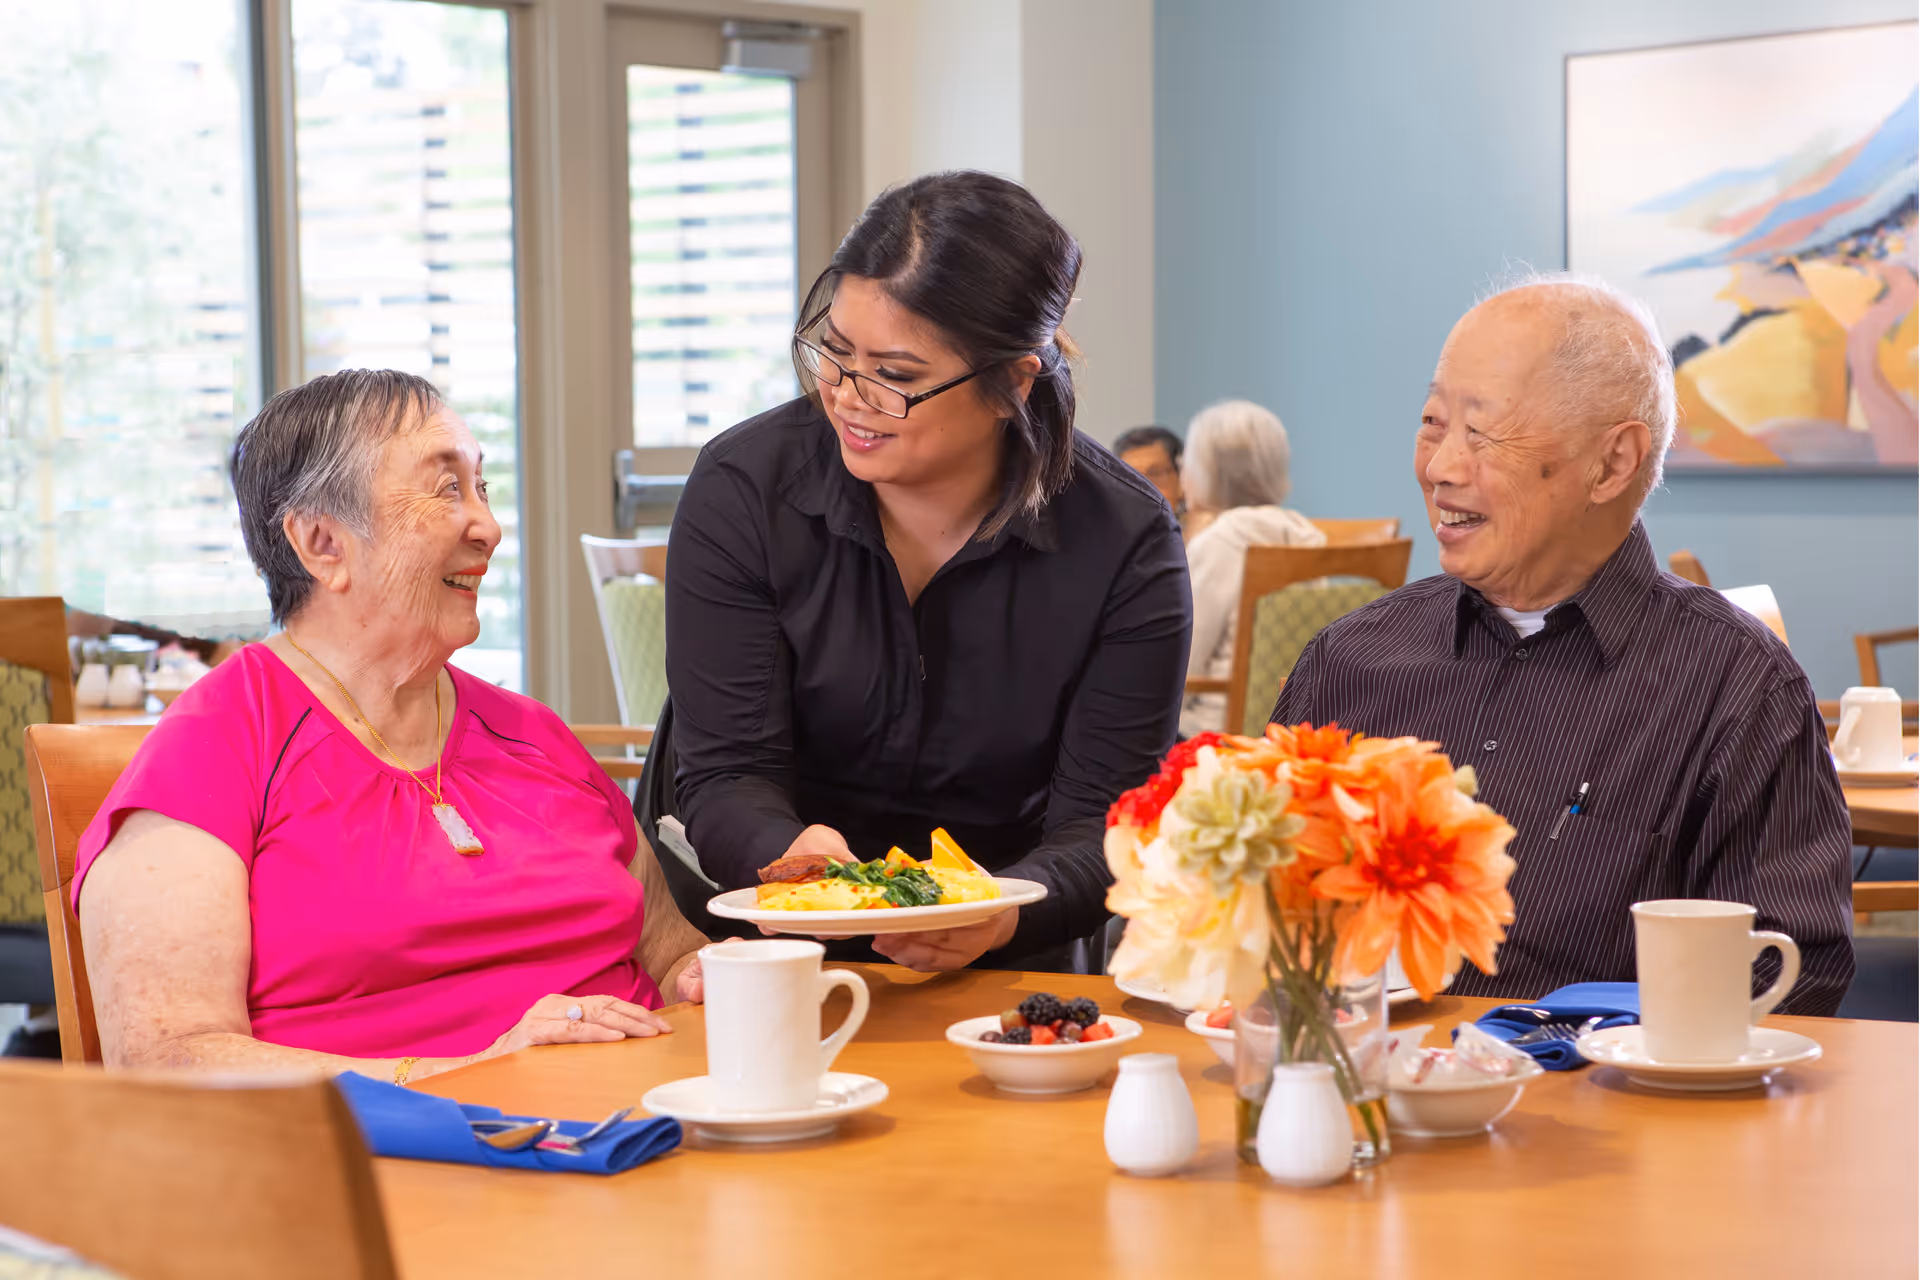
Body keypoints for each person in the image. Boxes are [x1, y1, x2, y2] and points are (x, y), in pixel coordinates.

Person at [75, 370, 713, 1083]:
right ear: (322, 543)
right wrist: (470, 1071)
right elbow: (167, 1059)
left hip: (643, 1128)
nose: (490, 528)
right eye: (446, 490)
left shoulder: (534, 736)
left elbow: (670, 950)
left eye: (482, 488)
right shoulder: (218, 746)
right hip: (402, 1169)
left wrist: (707, 976)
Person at [1269, 275, 1855, 1013]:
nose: (1441, 466)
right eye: (1432, 421)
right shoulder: (1349, 661)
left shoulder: (1736, 688)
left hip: (1602, 1108)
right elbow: (1255, 911)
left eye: (1481, 433)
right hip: (1357, 1093)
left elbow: (1786, 977)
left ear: (1612, 464)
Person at [665, 171, 1191, 973]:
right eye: (835, 353)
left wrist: (996, 912)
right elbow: (727, 772)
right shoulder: (745, 490)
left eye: (897, 377)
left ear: (1012, 382)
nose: (846, 395)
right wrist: (803, 865)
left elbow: (1107, 828)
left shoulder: (1125, 540)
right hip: (775, 949)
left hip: (1009, 948)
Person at [1178, 400, 1326, 737]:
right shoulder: (1309, 537)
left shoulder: (1218, 543)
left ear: (1209, 469)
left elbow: (1183, 665)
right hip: (1291, 732)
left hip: (1212, 735)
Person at [1113, 424, 1186, 521]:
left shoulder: (1204, 533)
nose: (1144, 489)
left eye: (1154, 473)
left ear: (1182, 478)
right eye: (1131, 478)